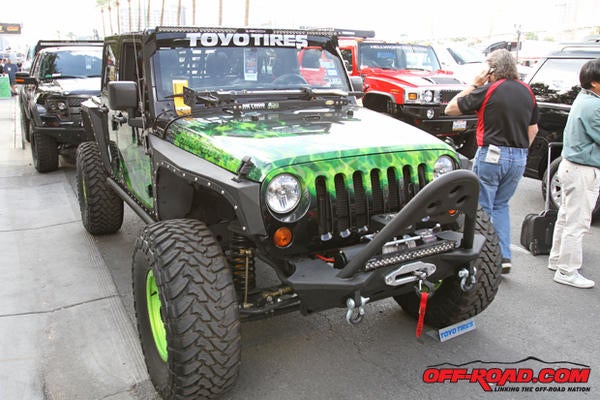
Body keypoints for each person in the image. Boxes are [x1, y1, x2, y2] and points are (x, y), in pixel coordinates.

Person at [445, 49, 539, 274]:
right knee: (501, 205)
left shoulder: (489, 89)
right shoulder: (527, 91)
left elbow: (451, 108)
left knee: (482, 208)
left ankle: (484, 260)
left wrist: (474, 83)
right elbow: (533, 129)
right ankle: (504, 257)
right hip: (518, 157)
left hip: (492, 154)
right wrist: (519, 151)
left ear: (491, 69)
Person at [547, 58, 600, 289]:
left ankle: (557, 259)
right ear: (596, 83)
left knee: (567, 216)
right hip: (583, 170)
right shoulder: (595, 107)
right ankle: (567, 271)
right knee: (577, 222)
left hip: (569, 166)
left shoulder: (584, 98)